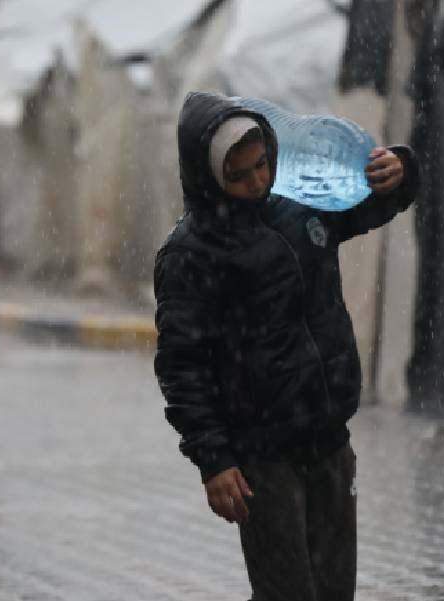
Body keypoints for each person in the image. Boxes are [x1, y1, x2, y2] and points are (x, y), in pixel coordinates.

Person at [153, 91, 419, 601]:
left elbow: (371, 202)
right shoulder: (190, 255)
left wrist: (400, 171)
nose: (257, 182)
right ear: (209, 177)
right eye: (239, 175)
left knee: (334, 591)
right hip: (262, 460)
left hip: (328, 441)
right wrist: (214, 460)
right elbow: (181, 365)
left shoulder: (302, 206)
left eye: (262, 165)